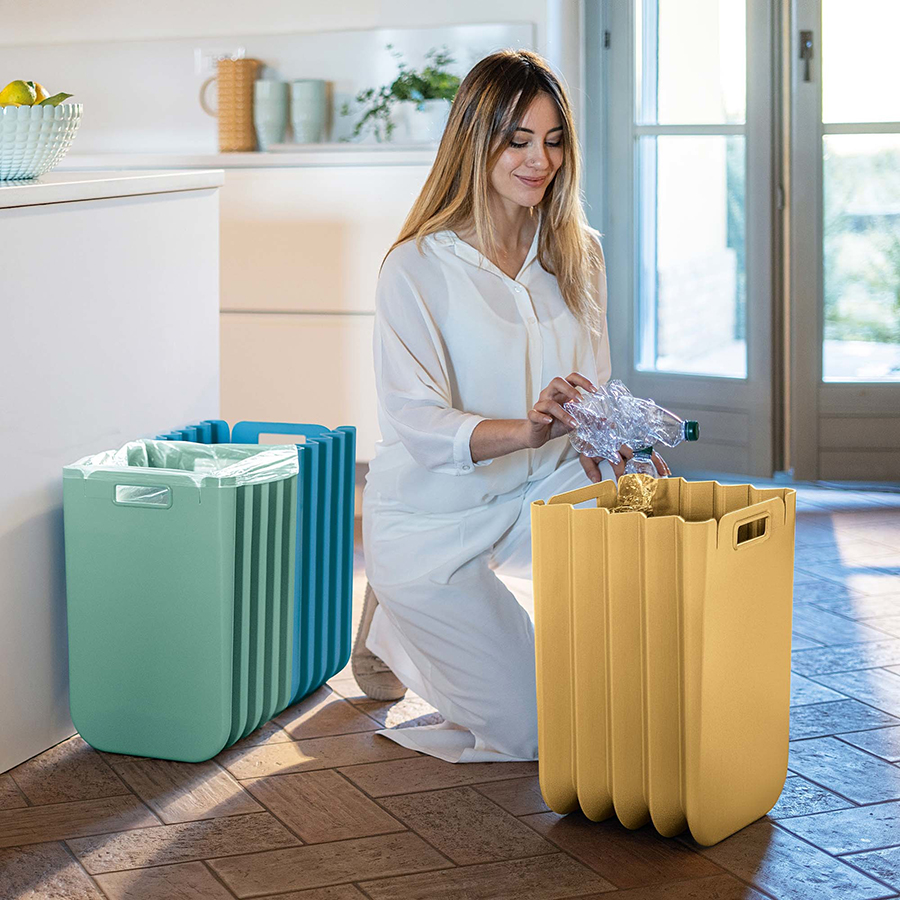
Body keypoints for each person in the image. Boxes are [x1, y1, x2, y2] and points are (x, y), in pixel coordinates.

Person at [353, 48, 669, 764]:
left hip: (542, 491)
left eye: (554, 140)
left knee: (647, 522)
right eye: (518, 140)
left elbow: (595, 383)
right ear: (475, 141)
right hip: (434, 514)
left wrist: (612, 438)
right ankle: (400, 608)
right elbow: (416, 422)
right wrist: (527, 428)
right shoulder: (415, 266)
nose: (540, 160)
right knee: (533, 735)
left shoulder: (578, 252)